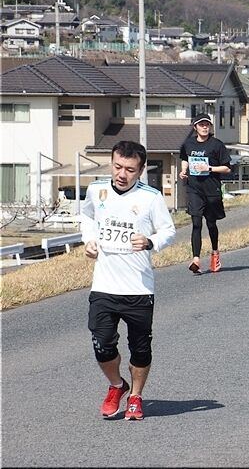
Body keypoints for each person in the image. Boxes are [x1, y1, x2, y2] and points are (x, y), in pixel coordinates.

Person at [81, 141, 176, 421]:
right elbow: (86, 216)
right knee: (102, 343)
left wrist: (150, 242)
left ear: (141, 170)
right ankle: (116, 385)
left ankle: (135, 396)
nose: (122, 174)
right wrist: (89, 240)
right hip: (104, 285)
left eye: (130, 169)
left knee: (140, 349)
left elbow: (168, 230)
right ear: (112, 163)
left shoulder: (151, 197)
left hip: (138, 288)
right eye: (117, 166)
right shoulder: (96, 190)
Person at [179, 113, 231, 273]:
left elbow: (227, 168)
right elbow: (185, 158)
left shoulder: (216, 145)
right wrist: (183, 171)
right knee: (196, 223)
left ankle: (215, 253)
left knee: (211, 224)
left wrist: (209, 168)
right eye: (201, 124)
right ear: (195, 127)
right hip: (194, 189)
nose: (204, 127)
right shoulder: (188, 143)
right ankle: (196, 259)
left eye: (207, 124)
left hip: (211, 190)